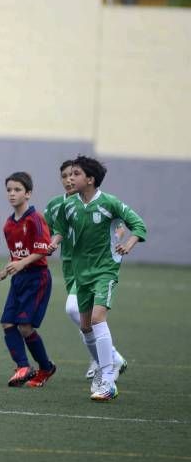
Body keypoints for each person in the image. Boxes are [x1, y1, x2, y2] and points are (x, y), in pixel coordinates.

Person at [49, 155, 146, 402]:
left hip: (105, 270)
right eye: (69, 174)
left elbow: (138, 224)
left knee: (97, 317)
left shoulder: (109, 202)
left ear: (90, 179)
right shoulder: (68, 205)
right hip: (81, 273)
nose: (70, 179)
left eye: (76, 174)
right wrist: (53, 243)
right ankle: (108, 367)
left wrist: (129, 243)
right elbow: (60, 228)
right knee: (85, 326)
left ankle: (108, 379)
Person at [43, 160, 127, 380]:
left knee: (74, 310)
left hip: (94, 265)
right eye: (64, 176)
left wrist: (115, 243)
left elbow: (118, 226)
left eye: (74, 174)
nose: (69, 179)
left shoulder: (99, 202)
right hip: (70, 266)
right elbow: (48, 231)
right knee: (80, 314)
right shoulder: (55, 205)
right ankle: (105, 357)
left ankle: (108, 358)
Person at [0, 172, 57, 388]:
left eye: (17, 189)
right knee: (7, 323)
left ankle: (46, 367)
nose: (12, 194)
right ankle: (23, 366)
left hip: (37, 278)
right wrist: (5, 271)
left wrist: (21, 264)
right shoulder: (8, 225)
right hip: (18, 279)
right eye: (9, 190)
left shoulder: (35, 219)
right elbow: (16, 256)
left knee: (25, 327)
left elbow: (42, 250)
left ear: (28, 193)